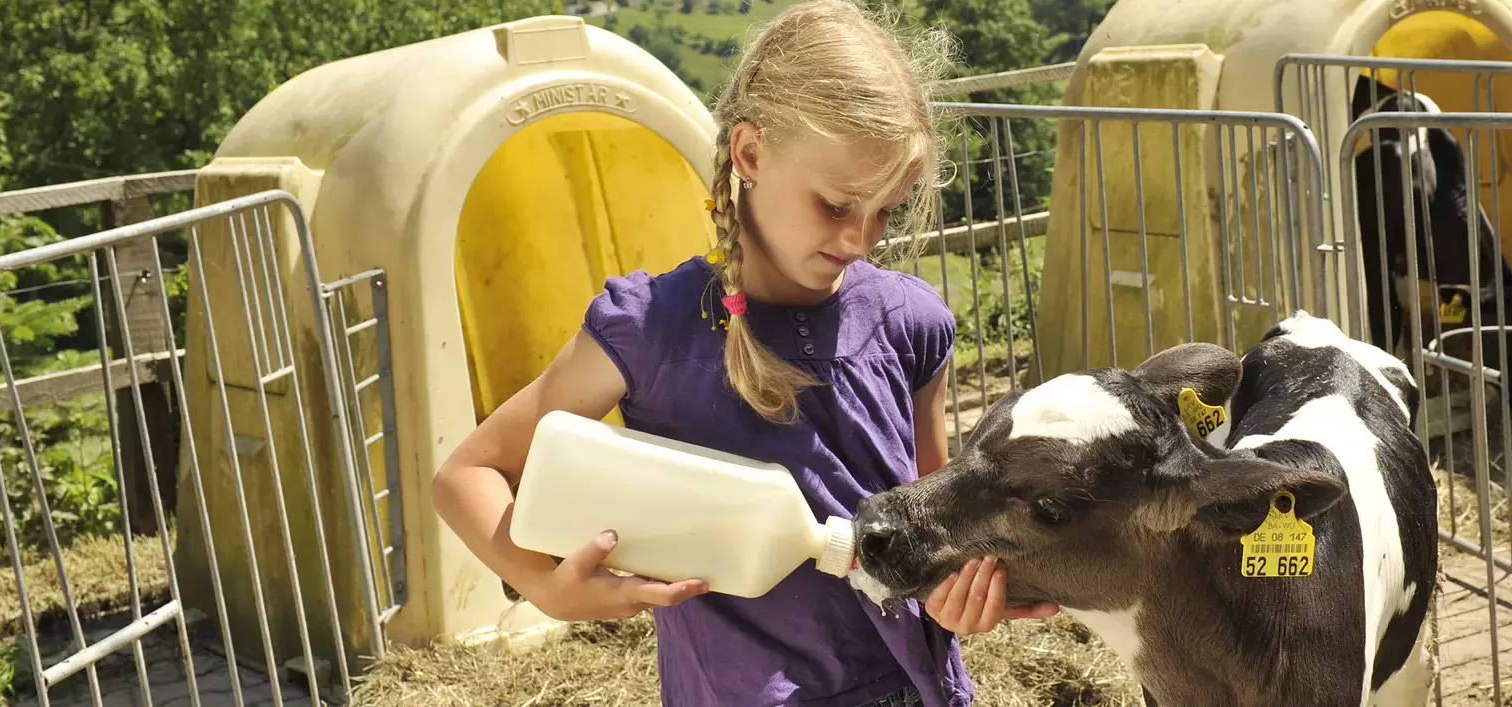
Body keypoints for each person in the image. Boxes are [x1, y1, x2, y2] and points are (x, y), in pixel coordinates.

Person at [431, 2, 1059, 705]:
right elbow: (467, 473)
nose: (860, 238)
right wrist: (548, 586)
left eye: (886, 209)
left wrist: (956, 592)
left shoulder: (912, 323)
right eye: (835, 205)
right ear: (751, 153)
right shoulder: (652, 328)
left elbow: (933, 528)